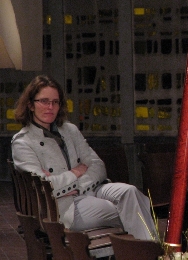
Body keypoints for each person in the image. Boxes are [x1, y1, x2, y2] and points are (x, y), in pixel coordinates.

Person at [11, 75, 157, 240]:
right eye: (44, 101)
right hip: (62, 206)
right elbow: (43, 187)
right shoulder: (23, 141)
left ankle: (142, 253)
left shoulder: (69, 130)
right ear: (30, 104)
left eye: (55, 102)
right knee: (134, 208)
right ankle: (152, 253)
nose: (50, 107)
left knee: (130, 193)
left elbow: (97, 165)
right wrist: (75, 172)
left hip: (91, 189)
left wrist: (77, 185)